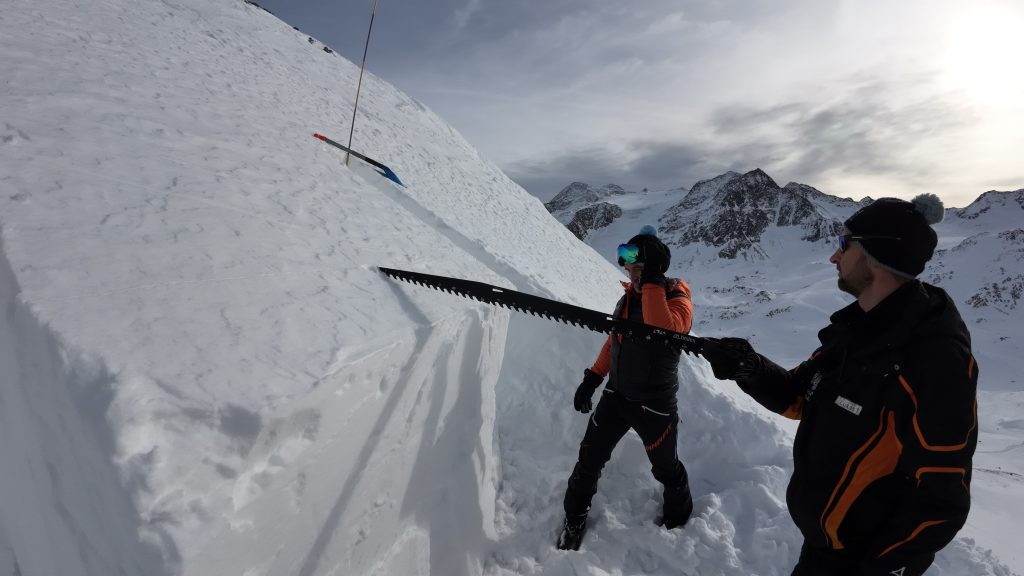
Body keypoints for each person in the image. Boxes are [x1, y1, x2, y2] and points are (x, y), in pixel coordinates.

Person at [702, 194, 978, 576]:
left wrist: (885, 568)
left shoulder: (934, 357)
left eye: (844, 245)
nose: (835, 256)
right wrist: (748, 367)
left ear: (876, 255)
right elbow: (799, 396)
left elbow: (943, 497)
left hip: (861, 562)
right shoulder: (857, 329)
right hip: (821, 548)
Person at [557, 225, 696, 550]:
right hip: (616, 397)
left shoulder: (677, 296)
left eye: (638, 264)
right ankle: (574, 518)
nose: (630, 270)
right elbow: (614, 341)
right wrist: (593, 378)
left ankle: (680, 516)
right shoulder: (627, 299)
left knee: (666, 469)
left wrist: (651, 281)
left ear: (654, 265)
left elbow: (663, 328)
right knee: (588, 460)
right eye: (628, 263)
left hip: (655, 406)